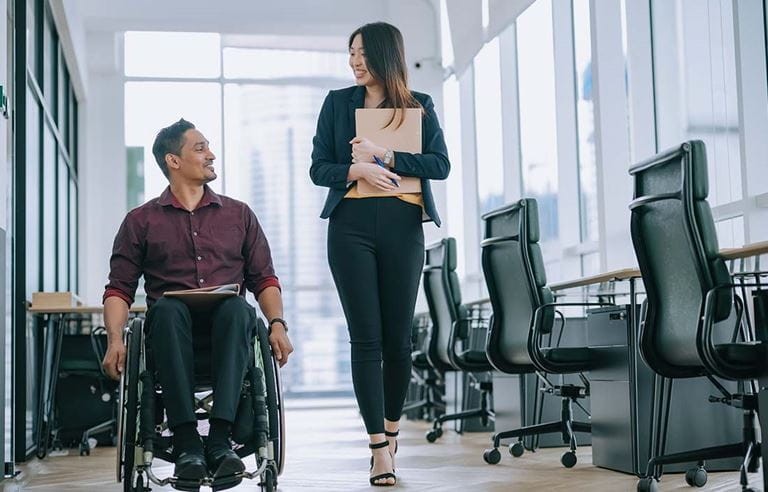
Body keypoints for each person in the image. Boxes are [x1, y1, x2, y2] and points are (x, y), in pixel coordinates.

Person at [101, 119, 293, 488]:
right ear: (173, 160)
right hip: (170, 338)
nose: (211, 155)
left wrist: (278, 324)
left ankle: (220, 440)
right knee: (167, 309)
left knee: (238, 307)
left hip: (230, 335)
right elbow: (119, 289)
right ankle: (187, 441)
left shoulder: (238, 215)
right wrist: (115, 339)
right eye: (201, 148)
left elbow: (264, 279)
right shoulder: (141, 221)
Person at [310, 22, 450, 486]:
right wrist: (357, 168)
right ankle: (377, 448)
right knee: (365, 338)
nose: (354, 62)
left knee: (398, 340)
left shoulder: (419, 106)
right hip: (350, 227)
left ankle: (392, 432)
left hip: (402, 226)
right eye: (350, 53)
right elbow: (318, 169)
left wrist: (386, 156)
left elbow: (440, 165)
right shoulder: (337, 104)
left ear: (387, 55)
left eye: (363, 54)